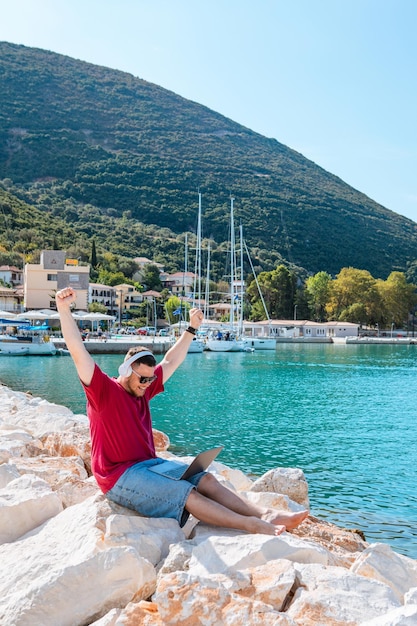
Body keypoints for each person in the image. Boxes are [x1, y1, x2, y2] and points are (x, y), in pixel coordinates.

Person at [56, 287, 308, 535]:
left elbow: (171, 360)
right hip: (118, 476)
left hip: (149, 464)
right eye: (142, 379)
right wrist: (64, 309)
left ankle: (265, 514)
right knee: (185, 493)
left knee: (205, 479)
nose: (147, 385)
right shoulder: (103, 391)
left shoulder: (145, 388)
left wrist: (192, 328)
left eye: (149, 380)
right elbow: (78, 352)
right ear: (125, 371)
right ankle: (250, 525)